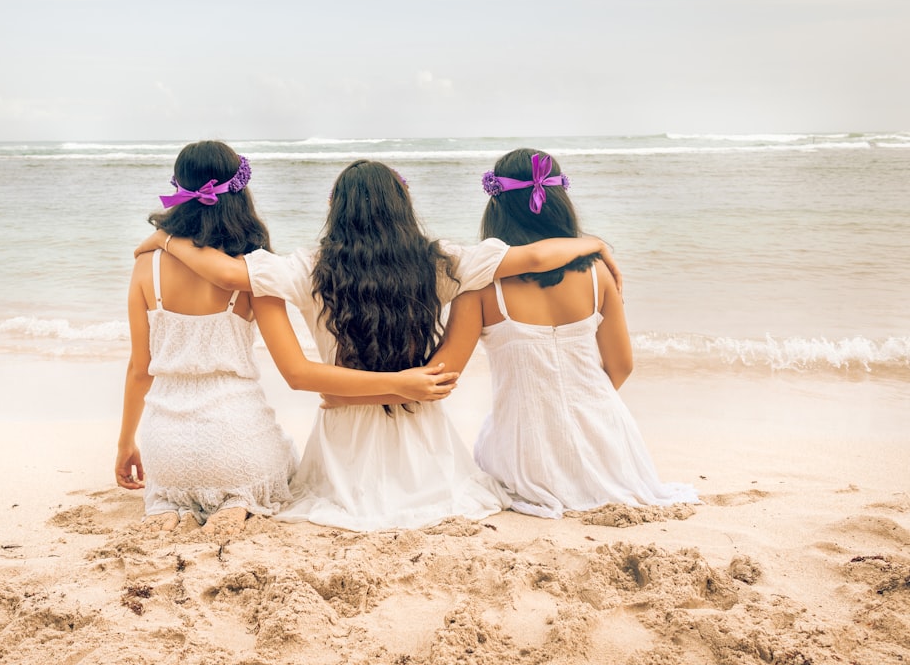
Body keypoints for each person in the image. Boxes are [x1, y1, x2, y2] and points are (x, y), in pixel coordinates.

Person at [135, 158, 623, 531]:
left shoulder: (308, 268)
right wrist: (594, 244)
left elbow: (225, 271)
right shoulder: (442, 263)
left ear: (334, 210)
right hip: (425, 445)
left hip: (342, 443)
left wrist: (167, 238)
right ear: (404, 205)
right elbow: (535, 255)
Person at [118, 143, 461, 536]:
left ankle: (167, 503)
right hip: (235, 437)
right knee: (276, 464)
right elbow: (292, 368)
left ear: (177, 188)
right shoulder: (252, 266)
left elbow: (139, 368)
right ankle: (238, 499)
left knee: (168, 488)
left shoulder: (147, 265)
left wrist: (125, 443)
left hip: (166, 445)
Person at [423, 148, 699, 518]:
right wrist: (575, 412)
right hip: (609, 448)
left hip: (525, 451)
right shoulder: (600, 273)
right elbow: (622, 366)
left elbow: (443, 374)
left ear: (497, 205)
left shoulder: (482, 285)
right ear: (560, 201)